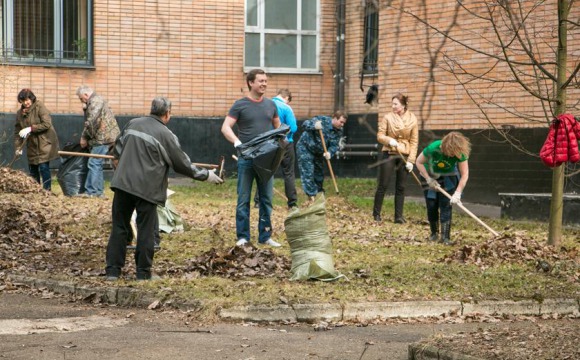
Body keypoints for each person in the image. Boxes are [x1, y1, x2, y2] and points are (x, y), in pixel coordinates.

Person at [105, 97, 223, 281]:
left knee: (119, 226)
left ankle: (112, 272)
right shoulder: (167, 135)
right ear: (167, 114)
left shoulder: (132, 123)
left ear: (152, 110)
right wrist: (206, 175)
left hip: (122, 184)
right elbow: (182, 164)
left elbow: (117, 150)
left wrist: (120, 168)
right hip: (147, 189)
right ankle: (143, 274)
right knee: (146, 229)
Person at [221, 69, 281, 248]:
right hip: (246, 159)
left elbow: (278, 128)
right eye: (260, 81)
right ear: (250, 83)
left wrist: (278, 145)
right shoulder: (240, 105)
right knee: (243, 199)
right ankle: (243, 237)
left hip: (266, 161)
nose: (264, 84)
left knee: (266, 199)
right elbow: (225, 128)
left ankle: (265, 236)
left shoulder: (271, 105)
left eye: (266, 81)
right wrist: (237, 142)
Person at [415, 131, 471, 245]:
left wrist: (458, 193)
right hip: (429, 174)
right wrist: (428, 179)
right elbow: (419, 162)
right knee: (431, 204)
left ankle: (445, 237)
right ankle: (434, 233)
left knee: (446, 205)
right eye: (450, 153)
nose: (451, 156)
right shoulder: (433, 148)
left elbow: (465, 174)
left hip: (448, 176)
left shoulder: (460, 152)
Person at [372, 93, 419, 223]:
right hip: (389, 153)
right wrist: (389, 140)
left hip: (404, 154)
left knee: (401, 187)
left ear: (403, 105)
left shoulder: (413, 119)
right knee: (383, 184)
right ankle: (376, 214)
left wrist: (411, 161)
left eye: (395, 104)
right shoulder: (387, 117)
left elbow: (414, 142)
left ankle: (398, 217)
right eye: (392, 104)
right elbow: (380, 135)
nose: (393, 106)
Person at [253, 88, 298, 209]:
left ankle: (258, 201)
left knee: (266, 171)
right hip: (286, 144)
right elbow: (293, 128)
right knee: (288, 173)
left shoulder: (266, 105)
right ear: (287, 98)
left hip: (268, 144)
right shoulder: (286, 108)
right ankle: (292, 203)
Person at [76, 85, 120, 197]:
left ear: (86, 95)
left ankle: (93, 192)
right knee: (97, 163)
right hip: (108, 136)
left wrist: (84, 137)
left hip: (103, 138)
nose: (82, 101)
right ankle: (98, 192)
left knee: (94, 162)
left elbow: (92, 122)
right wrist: (85, 109)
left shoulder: (95, 101)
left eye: (81, 99)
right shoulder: (96, 100)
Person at [14, 89, 60, 191]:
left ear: (31, 98)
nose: (26, 102)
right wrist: (18, 147)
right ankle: (36, 191)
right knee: (33, 169)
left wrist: (31, 128)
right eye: (23, 101)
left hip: (44, 142)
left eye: (27, 99)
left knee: (43, 167)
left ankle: (47, 191)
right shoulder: (20, 113)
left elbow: (47, 123)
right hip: (31, 144)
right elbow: (17, 132)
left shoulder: (39, 107)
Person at [296, 110, 347, 199]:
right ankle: (311, 197)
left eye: (344, 123)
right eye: (341, 122)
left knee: (319, 174)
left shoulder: (339, 131)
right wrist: (314, 126)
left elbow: (335, 145)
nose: (342, 125)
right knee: (308, 172)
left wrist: (330, 153)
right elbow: (304, 124)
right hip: (305, 148)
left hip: (319, 152)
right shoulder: (321, 120)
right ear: (335, 118)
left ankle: (319, 195)